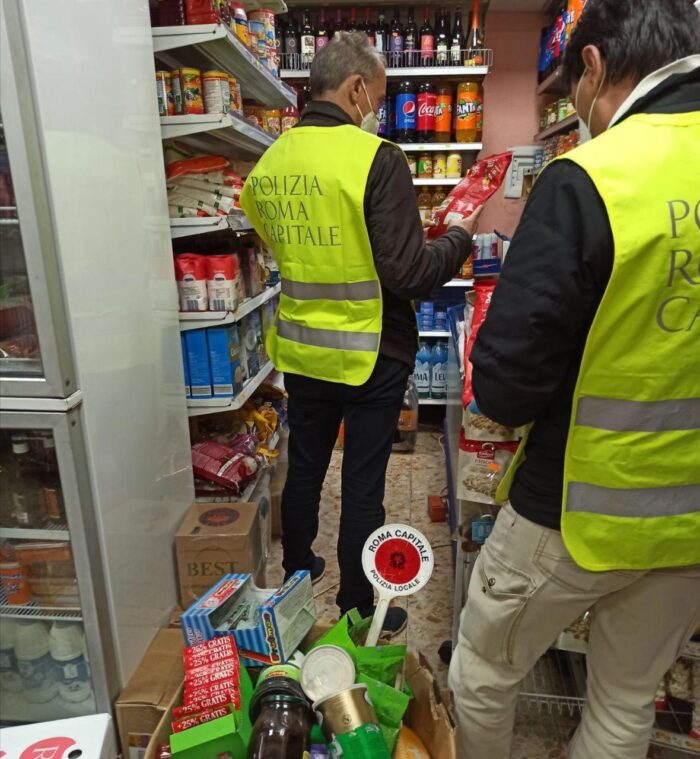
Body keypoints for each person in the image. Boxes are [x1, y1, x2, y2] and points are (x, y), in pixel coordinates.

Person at [448, 0, 700, 756]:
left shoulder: (595, 175)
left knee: (483, 674)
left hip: (577, 507)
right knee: (625, 701)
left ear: (591, 67)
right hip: (689, 517)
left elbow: (507, 384)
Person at [240, 33, 480, 636]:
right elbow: (410, 274)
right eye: (378, 91)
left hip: (301, 347)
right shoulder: (377, 158)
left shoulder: (270, 162)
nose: (378, 103)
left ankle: (297, 572)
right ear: (355, 88)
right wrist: (458, 237)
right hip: (370, 350)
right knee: (362, 485)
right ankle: (356, 602)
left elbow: (276, 238)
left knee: (307, 468)